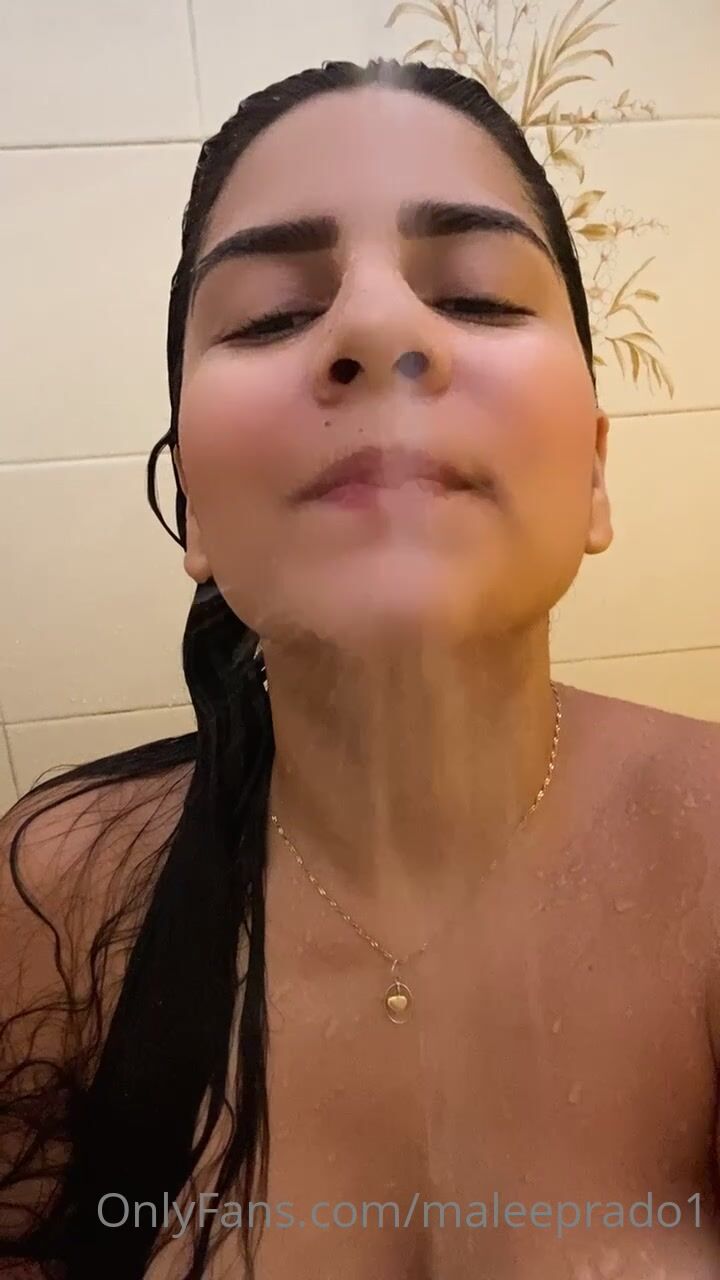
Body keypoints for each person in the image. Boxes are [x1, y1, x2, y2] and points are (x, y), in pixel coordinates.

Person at [1, 55, 719, 1280]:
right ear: (195, 509)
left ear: (596, 472)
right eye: (271, 314)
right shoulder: (51, 898)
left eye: (478, 295)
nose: (378, 329)